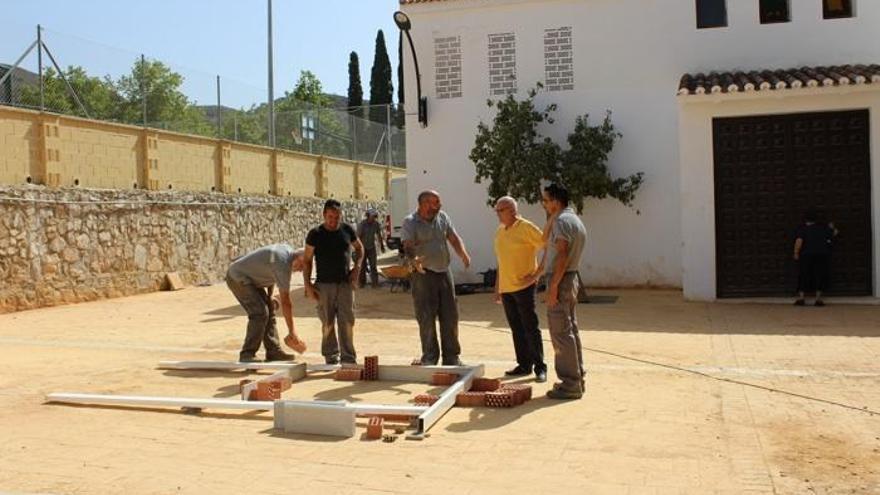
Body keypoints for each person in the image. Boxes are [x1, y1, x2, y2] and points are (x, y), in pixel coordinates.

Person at [402, 190, 471, 366]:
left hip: (444, 272)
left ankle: (452, 357)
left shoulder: (443, 217)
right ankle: (430, 357)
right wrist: (413, 259)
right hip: (423, 274)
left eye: (439, 202)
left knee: (450, 315)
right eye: (435, 202)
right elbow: (408, 245)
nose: (439, 205)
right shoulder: (410, 222)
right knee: (426, 316)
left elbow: (453, 238)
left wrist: (463, 253)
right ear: (424, 204)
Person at [493, 196, 548, 383]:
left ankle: (540, 367)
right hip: (507, 288)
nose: (497, 214)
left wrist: (537, 274)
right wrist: (497, 287)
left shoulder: (526, 228)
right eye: (496, 210)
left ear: (511, 210)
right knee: (516, 328)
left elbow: (548, 247)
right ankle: (524, 365)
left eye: (500, 210)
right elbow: (502, 261)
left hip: (524, 286)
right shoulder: (500, 231)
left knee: (530, 326)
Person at [303, 199, 364, 364]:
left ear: (340, 216)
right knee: (327, 322)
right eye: (330, 217)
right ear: (324, 215)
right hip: (324, 286)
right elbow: (307, 260)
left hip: (345, 284)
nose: (333, 221)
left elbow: (359, 248)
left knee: (347, 321)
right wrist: (307, 284)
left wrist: (357, 268)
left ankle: (348, 357)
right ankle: (330, 357)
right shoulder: (315, 234)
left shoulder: (347, 230)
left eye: (336, 217)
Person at [541, 183, 587, 400]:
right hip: (572, 277)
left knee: (560, 333)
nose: (544, 204)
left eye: (546, 200)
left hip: (562, 279)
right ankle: (578, 378)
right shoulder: (572, 219)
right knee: (570, 330)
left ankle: (570, 384)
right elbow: (545, 237)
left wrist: (553, 287)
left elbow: (561, 255)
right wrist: (552, 214)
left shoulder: (562, 221)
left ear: (556, 201)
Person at [226, 244, 306, 362]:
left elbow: (271, 274)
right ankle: (247, 354)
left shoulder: (287, 253)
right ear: (299, 258)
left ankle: (273, 351)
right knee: (260, 313)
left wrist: (269, 297)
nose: (301, 270)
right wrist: (292, 331)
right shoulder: (283, 264)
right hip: (237, 278)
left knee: (269, 309)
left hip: (250, 280)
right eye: (302, 266)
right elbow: (286, 302)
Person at [793, 210, 838, 307]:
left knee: (804, 274)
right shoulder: (823, 228)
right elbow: (834, 233)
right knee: (819, 275)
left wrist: (796, 253)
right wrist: (832, 227)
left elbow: (799, 241)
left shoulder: (802, 229)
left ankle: (801, 299)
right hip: (821, 255)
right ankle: (818, 299)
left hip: (806, 255)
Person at [357, 209, 386, 288]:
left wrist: (382, 246)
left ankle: (375, 283)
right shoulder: (362, 225)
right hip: (363, 247)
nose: (373, 218)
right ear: (368, 216)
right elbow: (358, 237)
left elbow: (379, 235)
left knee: (373, 265)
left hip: (371, 247)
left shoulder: (376, 224)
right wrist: (358, 249)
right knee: (362, 266)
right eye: (372, 217)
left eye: (374, 217)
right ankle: (361, 283)